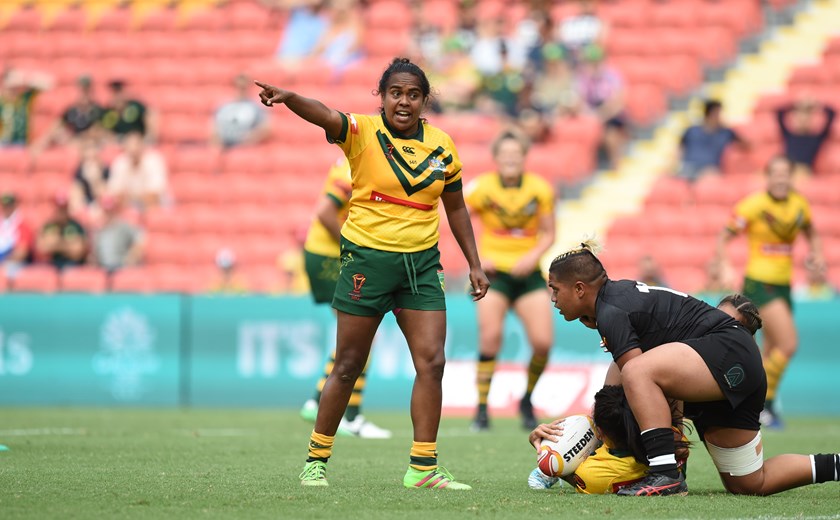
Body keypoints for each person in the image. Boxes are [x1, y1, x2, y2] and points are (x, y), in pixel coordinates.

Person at [255, 56, 490, 489]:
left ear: (425, 101)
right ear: (381, 97)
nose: (404, 101)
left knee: (433, 362)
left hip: (422, 266)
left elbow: (456, 207)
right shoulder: (362, 133)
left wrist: (474, 263)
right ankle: (316, 461)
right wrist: (290, 99)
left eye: (413, 94)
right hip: (367, 262)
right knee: (348, 364)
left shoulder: (443, 146)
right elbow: (325, 114)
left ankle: (422, 469)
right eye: (395, 93)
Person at [547, 238, 839, 496]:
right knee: (749, 482)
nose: (553, 298)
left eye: (555, 289)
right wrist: (561, 447)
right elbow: (643, 389)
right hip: (733, 363)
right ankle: (834, 465)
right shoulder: (615, 303)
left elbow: (639, 382)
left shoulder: (612, 311)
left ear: (580, 289)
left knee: (633, 372)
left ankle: (666, 473)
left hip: (727, 351)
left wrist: (660, 449)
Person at [526, 294, 759, 494]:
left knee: (746, 485)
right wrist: (557, 452)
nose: (721, 327)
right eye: (718, 317)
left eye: (733, 326)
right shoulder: (676, 351)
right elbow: (608, 417)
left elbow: (677, 442)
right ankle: (661, 466)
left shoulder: (731, 376)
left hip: (668, 442)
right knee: (630, 369)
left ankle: (665, 469)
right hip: (639, 443)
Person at [714, 155, 825, 428]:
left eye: (785, 173)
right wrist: (725, 265)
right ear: (768, 177)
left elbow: (811, 232)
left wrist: (816, 254)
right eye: (776, 173)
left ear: (791, 176)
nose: (781, 179)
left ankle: (752, 404)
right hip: (759, 284)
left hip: (784, 285)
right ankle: (765, 403)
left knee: (771, 349)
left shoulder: (799, 205)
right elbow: (724, 236)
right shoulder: (753, 205)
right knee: (788, 345)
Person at [463, 130, 556, 432]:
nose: (510, 159)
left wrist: (532, 256)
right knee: (490, 338)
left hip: (528, 275)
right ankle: (481, 409)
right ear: (496, 157)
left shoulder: (540, 188)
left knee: (542, 343)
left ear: (524, 155)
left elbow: (549, 233)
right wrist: (478, 257)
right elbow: (457, 218)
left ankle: (527, 399)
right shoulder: (481, 187)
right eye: (505, 154)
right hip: (494, 277)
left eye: (516, 153)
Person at [298, 157, 392, 439]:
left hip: (326, 255)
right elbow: (325, 211)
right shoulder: (355, 165)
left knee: (360, 336)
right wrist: (352, 246)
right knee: (360, 335)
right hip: (331, 256)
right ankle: (349, 416)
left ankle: (319, 402)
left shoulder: (362, 160)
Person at [576, 44, 626, 170]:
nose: (593, 65)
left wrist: (600, 116)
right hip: (592, 113)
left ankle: (616, 163)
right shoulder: (583, 78)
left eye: (595, 62)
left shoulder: (612, 76)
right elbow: (581, 100)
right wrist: (588, 114)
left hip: (610, 115)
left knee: (610, 132)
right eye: (590, 62)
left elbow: (617, 103)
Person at [30, 75, 102, 155]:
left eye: (86, 91)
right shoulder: (73, 110)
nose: (83, 94)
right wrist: (43, 141)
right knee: (57, 133)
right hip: (72, 140)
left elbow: (97, 131)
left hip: (88, 142)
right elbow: (58, 124)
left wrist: (75, 139)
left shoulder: (96, 110)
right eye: (81, 90)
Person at [678, 100, 747, 182]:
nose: (719, 116)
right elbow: (680, 147)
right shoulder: (692, 130)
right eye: (717, 113)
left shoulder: (726, 132)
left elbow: (746, 145)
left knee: (710, 179)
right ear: (708, 114)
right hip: (689, 167)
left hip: (710, 170)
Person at [107, 131, 169, 211]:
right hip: (129, 209)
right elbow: (114, 194)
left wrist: (128, 197)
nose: (133, 150)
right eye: (130, 147)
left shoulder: (154, 160)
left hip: (156, 207)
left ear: (142, 146)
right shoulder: (120, 162)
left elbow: (154, 196)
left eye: (136, 146)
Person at [776, 96, 836, 175]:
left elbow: (831, 114)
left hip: (803, 171)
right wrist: (796, 104)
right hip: (787, 169)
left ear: (810, 120)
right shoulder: (789, 136)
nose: (803, 120)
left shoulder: (816, 138)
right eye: (800, 117)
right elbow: (779, 113)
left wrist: (817, 104)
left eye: (806, 117)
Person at [211, 74, 271, 149]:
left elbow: (266, 128)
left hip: (247, 147)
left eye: (243, 87)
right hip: (225, 145)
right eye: (238, 87)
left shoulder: (257, 107)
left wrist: (248, 140)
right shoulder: (223, 106)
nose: (240, 90)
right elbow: (214, 128)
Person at [91, 195, 145, 272]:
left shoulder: (123, 226)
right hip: (103, 268)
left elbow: (140, 237)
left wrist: (131, 257)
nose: (108, 214)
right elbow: (96, 254)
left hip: (120, 267)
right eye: (106, 211)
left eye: (111, 211)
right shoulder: (99, 231)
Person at [0, 67, 52, 147]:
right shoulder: (2, 101)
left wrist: (26, 81)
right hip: (3, 143)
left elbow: (47, 84)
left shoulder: (24, 98)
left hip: (21, 143)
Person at [35, 192, 87, 270]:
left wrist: (55, 244)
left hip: (72, 265)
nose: (61, 212)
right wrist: (68, 245)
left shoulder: (76, 226)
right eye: (59, 208)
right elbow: (41, 248)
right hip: (51, 266)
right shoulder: (49, 226)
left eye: (63, 208)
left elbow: (78, 251)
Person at [69, 137, 110, 219]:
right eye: (87, 149)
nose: (90, 152)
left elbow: (105, 194)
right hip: (85, 204)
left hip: (102, 205)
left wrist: (95, 179)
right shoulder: (79, 171)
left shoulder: (105, 169)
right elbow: (76, 191)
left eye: (93, 148)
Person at [0, 192, 34, 278]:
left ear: (14, 205)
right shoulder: (2, 223)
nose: (7, 208)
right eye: (5, 205)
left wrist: (4, 260)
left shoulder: (22, 225)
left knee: (9, 270)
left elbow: (22, 252)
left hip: (12, 262)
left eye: (9, 205)